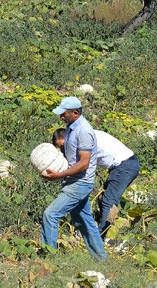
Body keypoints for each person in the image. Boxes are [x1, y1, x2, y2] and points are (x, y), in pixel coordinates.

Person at [40, 96, 107, 261]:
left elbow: (84, 163)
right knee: (85, 222)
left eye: (64, 114)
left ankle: (48, 259)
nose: (61, 117)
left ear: (75, 113)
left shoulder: (84, 131)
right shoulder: (71, 127)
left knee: (51, 214)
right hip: (75, 181)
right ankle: (101, 260)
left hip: (80, 183)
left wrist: (59, 175)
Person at [52, 128, 140, 239]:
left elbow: (82, 166)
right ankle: (109, 231)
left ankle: (101, 236)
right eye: (59, 147)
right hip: (123, 165)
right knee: (103, 198)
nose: (62, 149)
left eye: (63, 146)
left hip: (124, 166)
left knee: (109, 202)